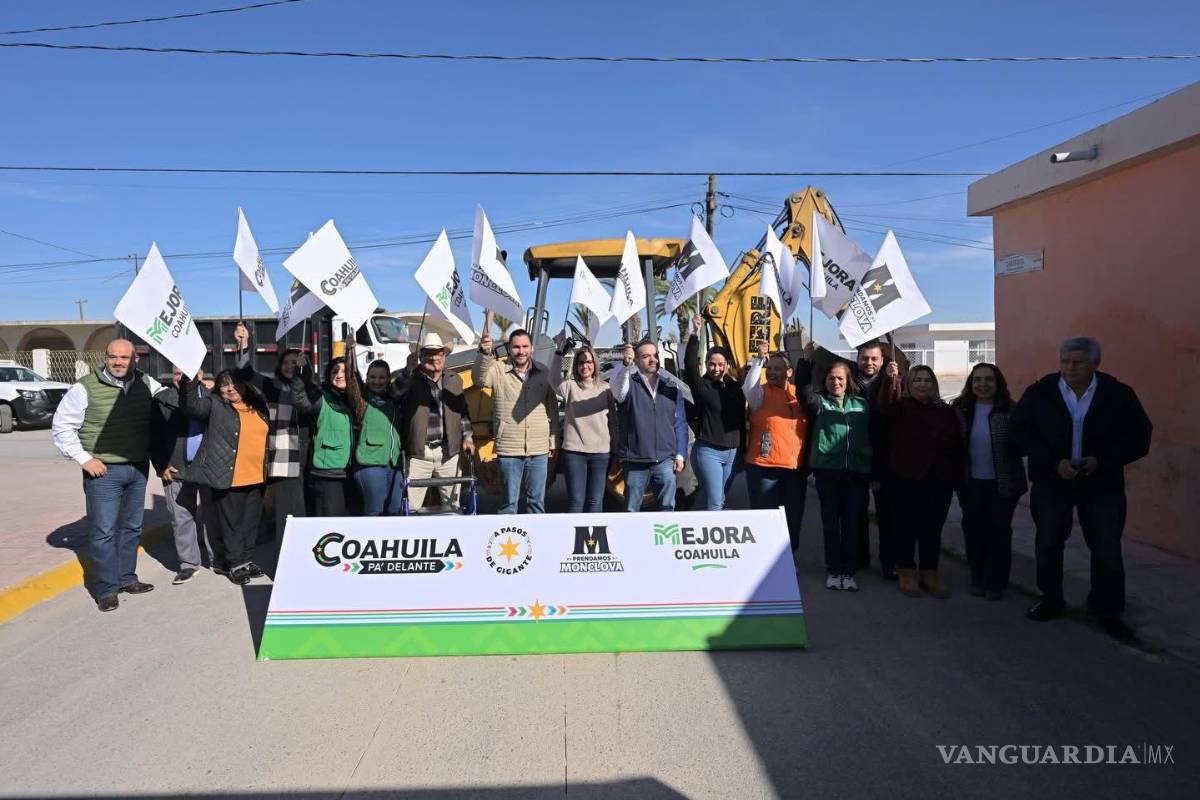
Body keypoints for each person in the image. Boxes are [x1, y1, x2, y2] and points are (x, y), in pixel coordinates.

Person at [1009, 336, 1152, 640]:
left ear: (1095, 363)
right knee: (1048, 542)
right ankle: (1050, 599)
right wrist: (1053, 463)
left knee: (1106, 547)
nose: (1070, 368)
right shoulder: (1040, 393)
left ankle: (1107, 610)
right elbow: (1019, 432)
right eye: (1065, 362)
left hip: (1101, 484)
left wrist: (1102, 461)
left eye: (1078, 362)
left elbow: (1140, 436)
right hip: (1052, 482)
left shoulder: (1118, 394)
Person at [51, 339, 165, 612]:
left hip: (137, 467)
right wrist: (85, 459)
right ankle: (107, 589)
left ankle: (127, 579)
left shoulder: (147, 383)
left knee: (132, 528)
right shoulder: (85, 387)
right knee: (103, 532)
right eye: (113, 357)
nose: (117, 362)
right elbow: (62, 427)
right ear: (106, 357)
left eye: (124, 357)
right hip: (104, 472)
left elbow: (168, 405)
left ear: (135, 359)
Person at [879, 364, 964, 599]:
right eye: (917, 380)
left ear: (934, 384)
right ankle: (906, 571)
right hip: (905, 479)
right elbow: (883, 411)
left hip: (939, 481)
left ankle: (929, 573)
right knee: (905, 527)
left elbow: (956, 444)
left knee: (932, 530)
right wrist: (888, 381)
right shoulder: (899, 408)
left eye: (927, 380)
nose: (922, 384)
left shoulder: (946, 412)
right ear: (909, 384)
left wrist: (956, 476)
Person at [179, 369, 270, 585]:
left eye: (235, 383)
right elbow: (192, 407)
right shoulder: (215, 405)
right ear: (218, 389)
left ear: (244, 385)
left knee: (250, 523)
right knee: (232, 524)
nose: (231, 389)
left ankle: (246, 559)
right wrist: (190, 382)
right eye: (224, 385)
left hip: (256, 475)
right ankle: (235, 563)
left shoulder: (256, 407)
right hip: (229, 476)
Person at [795, 349, 872, 591]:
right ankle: (833, 570)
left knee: (851, 524)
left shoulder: (862, 404)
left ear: (848, 381)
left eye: (840, 378)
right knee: (831, 524)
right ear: (825, 380)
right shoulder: (819, 403)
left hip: (856, 473)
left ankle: (848, 572)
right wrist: (805, 363)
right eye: (831, 378)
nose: (836, 382)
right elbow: (803, 391)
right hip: (827, 473)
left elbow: (874, 435)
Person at [951, 363, 1028, 600]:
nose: (982, 384)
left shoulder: (1011, 410)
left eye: (988, 380)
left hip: (1003, 484)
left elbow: (1024, 444)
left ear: (998, 383)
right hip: (971, 483)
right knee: (974, 531)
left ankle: (996, 582)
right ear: (970, 384)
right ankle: (977, 576)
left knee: (999, 533)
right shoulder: (961, 409)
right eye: (977, 380)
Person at [231, 323, 309, 540]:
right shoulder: (273, 386)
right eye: (286, 363)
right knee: (288, 515)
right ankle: (286, 556)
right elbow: (244, 371)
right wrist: (243, 344)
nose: (290, 366)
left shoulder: (313, 389)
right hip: (285, 460)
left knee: (308, 514)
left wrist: (304, 375)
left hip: (312, 462)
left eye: (295, 362)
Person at [473, 327, 559, 515]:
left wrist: (553, 441)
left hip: (538, 449)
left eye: (525, 346)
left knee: (537, 503)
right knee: (508, 504)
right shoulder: (497, 370)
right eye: (516, 347)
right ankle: (507, 534)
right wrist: (484, 353)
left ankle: (536, 533)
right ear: (509, 349)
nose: (521, 351)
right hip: (509, 448)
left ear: (531, 348)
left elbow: (552, 408)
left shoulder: (543, 371)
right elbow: (479, 379)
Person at [391, 332, 475, 511]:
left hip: (448, 453)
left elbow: (462, 412)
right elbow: (395, 395)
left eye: (438, 353)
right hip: (419, 453)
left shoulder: (454, 379)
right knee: (411, 508)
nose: (434, 358)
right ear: (420, 356)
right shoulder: (410, 377)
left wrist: (468, 437)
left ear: (444, 356)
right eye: (429, 353)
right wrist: (408, 370)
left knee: (453, 508)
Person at [151, 367, 216, 584]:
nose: (183, 377)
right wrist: (161, 465)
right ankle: (188, 564)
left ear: (201, 375)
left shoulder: (214, 397)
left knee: (212, 515)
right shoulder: (162, 399)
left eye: (189, 372)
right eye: (178, 373)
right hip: (176, 468)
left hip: (208, 468)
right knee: (181, 517)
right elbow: (153, 435)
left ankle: (217, 559)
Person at [743, 340, 809, 551]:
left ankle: (788, 558)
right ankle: (764, 557)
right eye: (769, 368)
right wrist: (759, 360)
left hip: (794, 470)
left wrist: (808, 360)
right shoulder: (759, 394)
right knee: (765, 520)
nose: (771, 372)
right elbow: (748, 385)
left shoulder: (798, 394)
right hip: (763, 468)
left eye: (777, 369)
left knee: (792, 520)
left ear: (789, 372)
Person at [611, 340, 688, 512]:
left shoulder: (672, 387)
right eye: (646, 356)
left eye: (655, 355)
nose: (652, 359)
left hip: (665, 461)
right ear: (636, 360)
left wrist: (680, 454)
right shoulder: (628, 385)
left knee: (667, 510)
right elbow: (616, 387)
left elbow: (680, 423)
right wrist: (624, 365)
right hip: (635, 461)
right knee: (631, 510)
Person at [683, 314, 744, 510]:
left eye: (720, 364)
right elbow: (689, 364)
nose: (716, 368)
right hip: (709, 451)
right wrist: (695, 333)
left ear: (727, 365)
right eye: (712, 364)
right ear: (707, 364)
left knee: (720, 499)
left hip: (733, 453)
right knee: (716, 502)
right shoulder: (702, 386)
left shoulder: (735, 387)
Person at [344, 343, 405, 516]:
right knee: (375, 512)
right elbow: (351, 379)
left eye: (381, 377)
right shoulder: (362, 401)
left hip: (395, 464)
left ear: (388, 379)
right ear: (367, 378)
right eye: (372, 377)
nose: (376, 381)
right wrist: (350, 351)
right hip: (370, 464)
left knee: (394, 511)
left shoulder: (394, 399)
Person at [290, 357, 355, 516]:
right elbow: (300, 402)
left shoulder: (354, 399)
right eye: (334, 372)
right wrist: (299, 374)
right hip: (327, 473)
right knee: (331, 523)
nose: (339, 375)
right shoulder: (321, 397)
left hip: (350, 471)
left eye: (344, 371)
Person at [555, 342, 614, 513]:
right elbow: (553, 380)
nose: (585, 366)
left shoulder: (606, 389)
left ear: (595, 364)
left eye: (589, 362)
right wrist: (559, 353)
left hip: (600, 454)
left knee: (596, 501)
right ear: (576, 365)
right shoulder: (570, 387)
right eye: (581, 362)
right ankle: (574, 531)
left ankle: (595, 531)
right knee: (576, 500)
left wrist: (615, 449)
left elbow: (613, 421)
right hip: (574, 453)